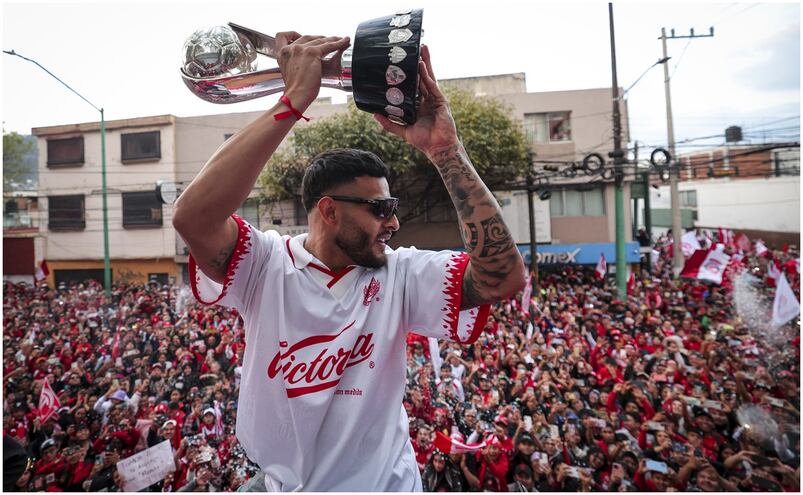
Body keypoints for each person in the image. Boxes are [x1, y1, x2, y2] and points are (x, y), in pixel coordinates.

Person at [171, 30, 526, 491]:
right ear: (329, 211)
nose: (393, 223)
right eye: (379, 209)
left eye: (392, 206)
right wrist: (293, 99)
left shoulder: (400, 273)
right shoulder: (264, 264)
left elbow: (503, 278)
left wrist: (445, 150)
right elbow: (193, 216)